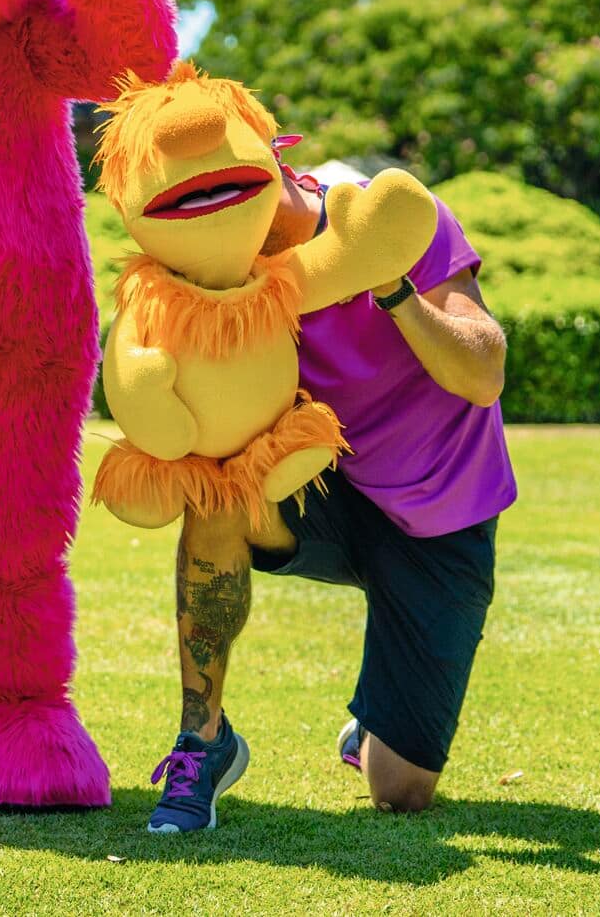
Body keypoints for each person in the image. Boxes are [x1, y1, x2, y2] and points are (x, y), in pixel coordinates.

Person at [145, 157, 515, 834]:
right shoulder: (225, 273)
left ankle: (373, 732)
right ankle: (203, 741)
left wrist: (391, 286)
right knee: (216, 489)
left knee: (398, 790)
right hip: (330, 491)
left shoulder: (391, 213)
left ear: (276, 161)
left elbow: (483, 372)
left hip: (443, 515)